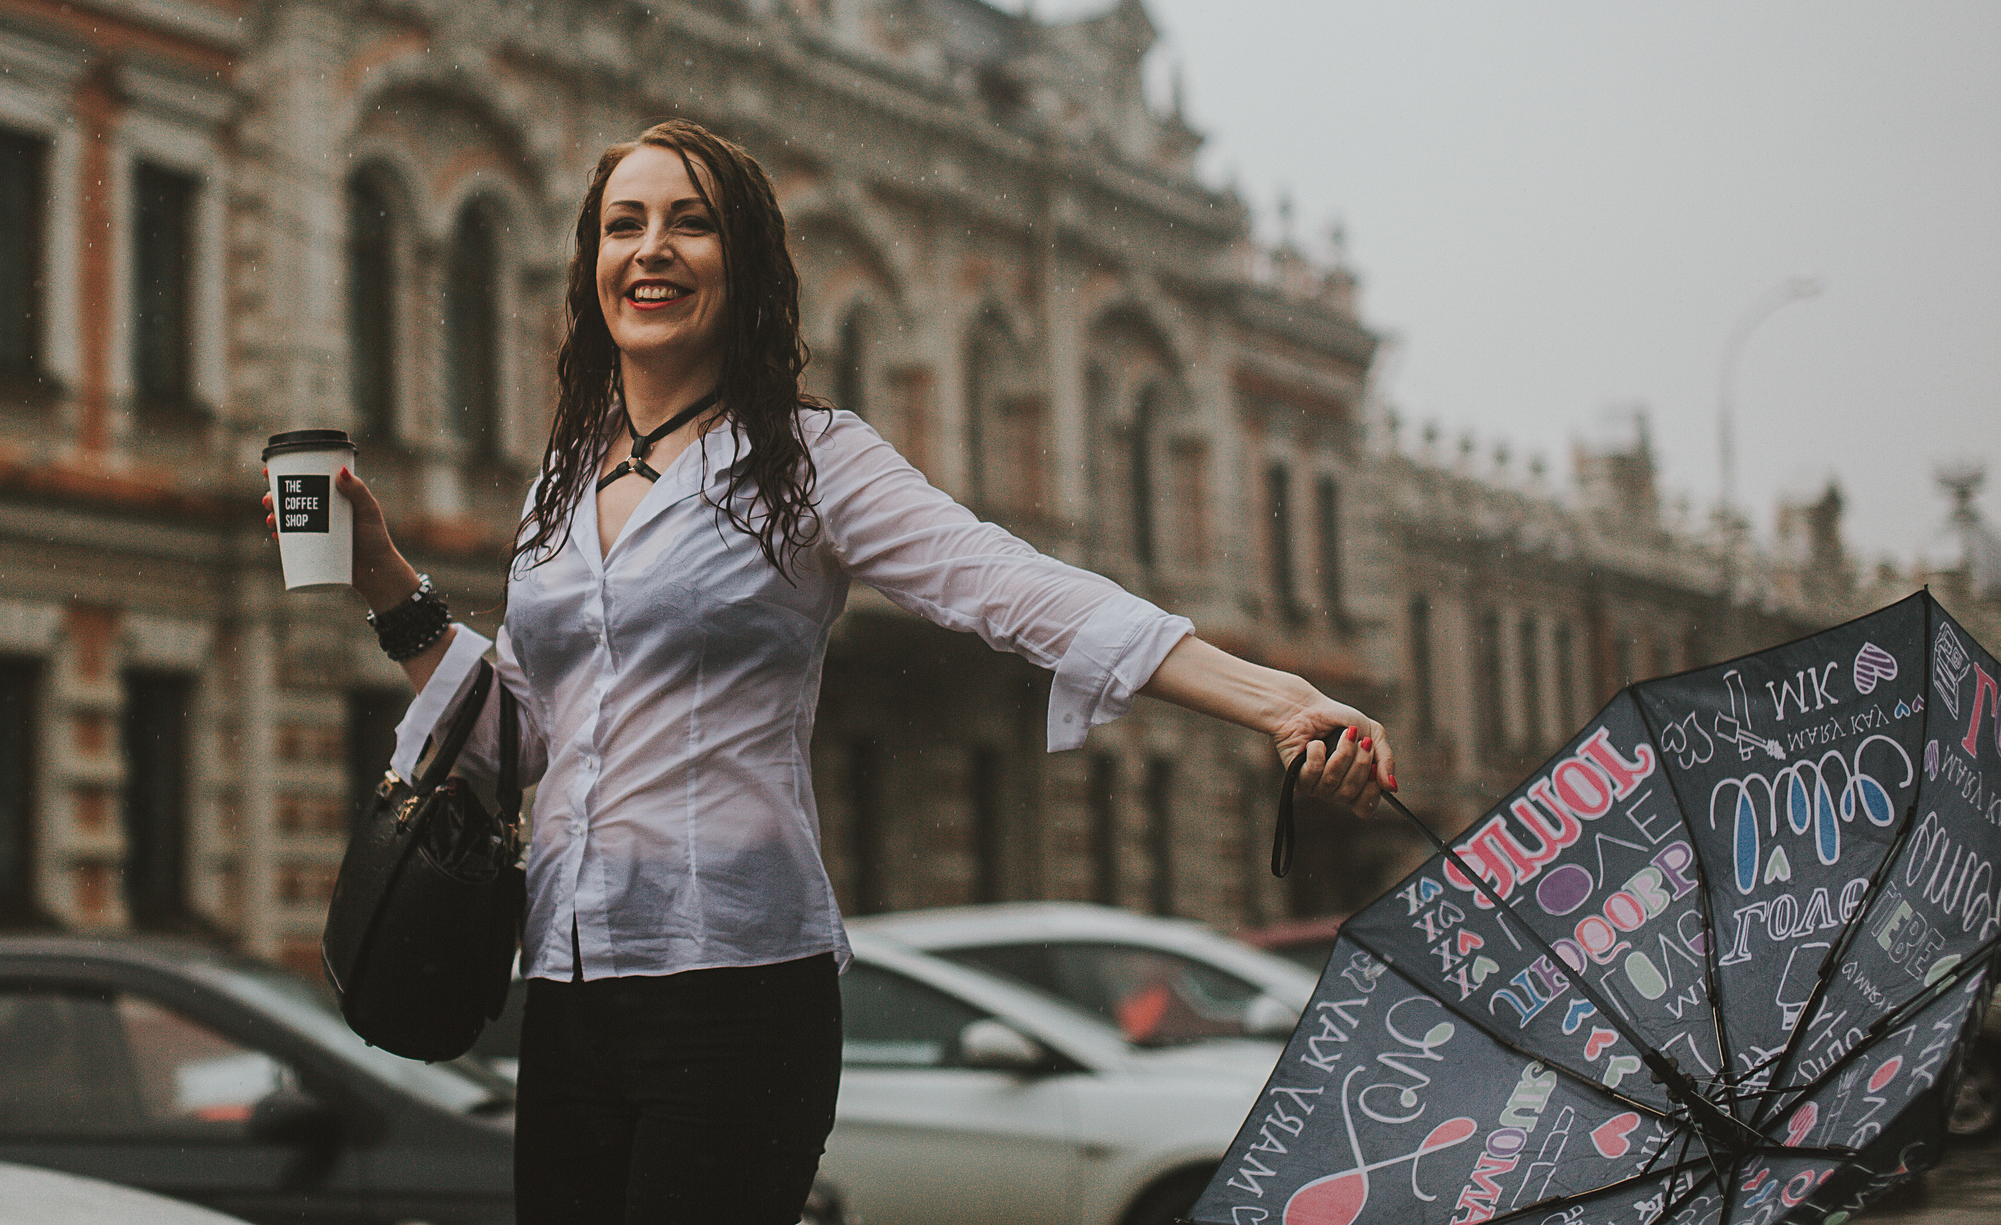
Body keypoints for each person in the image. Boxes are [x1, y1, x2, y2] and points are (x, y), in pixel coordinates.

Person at [272, 119, 1395, 1225]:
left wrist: (1281, 701)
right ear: (591, 266)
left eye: (689, 224)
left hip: (735, 992)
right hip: (565, 986)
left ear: (744, 265)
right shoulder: (560, 486)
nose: (650, 248)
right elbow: (521, 744)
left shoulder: (808, 460)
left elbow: (1007, 584)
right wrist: (386, 581)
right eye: (623, 224)